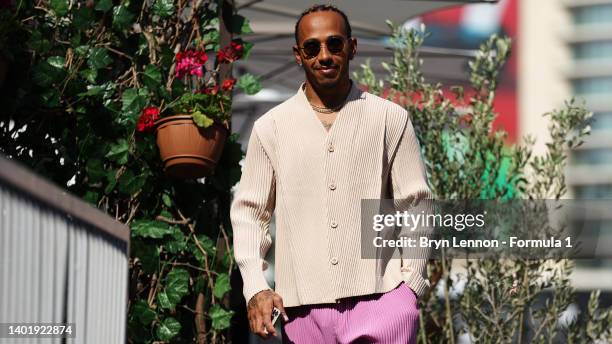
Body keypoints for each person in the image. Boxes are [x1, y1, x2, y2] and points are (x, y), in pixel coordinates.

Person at [230, 4, 433, 343]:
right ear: (298, 55)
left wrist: (410, 288)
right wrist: (255, 287)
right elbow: (250, 213)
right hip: (303, 311)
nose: (324, 55)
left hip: (383, 300)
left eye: (334, 44)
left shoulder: (389, 118)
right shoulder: (271, 128)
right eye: (312, 47)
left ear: (352, 48)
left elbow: (416, 204)